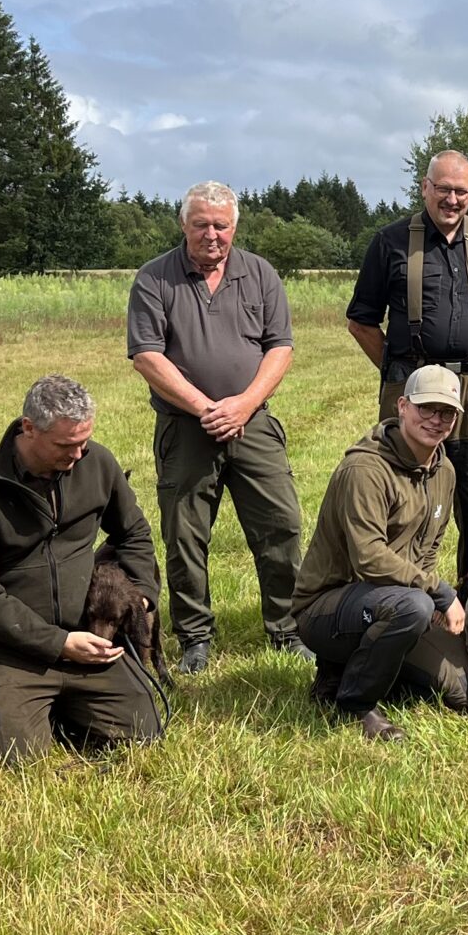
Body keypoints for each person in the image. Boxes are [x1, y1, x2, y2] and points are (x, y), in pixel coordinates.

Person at [126, 180, 307, 672]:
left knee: (281, 526)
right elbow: (146, 355)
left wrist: (245, 405)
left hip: (254, 424)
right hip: (186, 429)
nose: (212, 235)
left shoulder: (260, 274)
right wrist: (207, 407)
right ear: (183, 224)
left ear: (235, 227)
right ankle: (195, 639)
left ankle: (287, 630)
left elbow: (280, 347)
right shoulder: (154, 279)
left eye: (221, 225)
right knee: (185, 536)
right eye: (201, 224)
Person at [0, 375, 167, 764]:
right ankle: (6, 701)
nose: (79, 454)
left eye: (84, 441)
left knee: (142, 732)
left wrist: (142, 596)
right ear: (28, 428)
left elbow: (133, 533)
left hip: (90, 643)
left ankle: (61, 710)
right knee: (6, 758)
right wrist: (60, 644)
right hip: (10, 651)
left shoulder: (98, 463)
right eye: (66, 445)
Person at [346, 150, 468, 585]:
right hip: (414, 389)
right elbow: (361, 320)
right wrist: (400, 375)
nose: (452, 199)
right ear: (425, 188)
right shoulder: (390, 241)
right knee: (403, 505)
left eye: (461, 191)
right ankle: (402, 604)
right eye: (443, 189)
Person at [292, 365, 468, 742]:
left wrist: (430, 597)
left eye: (447, 413)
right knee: (413, 609)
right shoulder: (365, 469)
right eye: (427, 409)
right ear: (402, 406)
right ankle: (356, 703)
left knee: (459, 689)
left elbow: (428, 549)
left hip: (397, 598)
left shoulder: (445, 472)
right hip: (329, 605)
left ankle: (344, 672)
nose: (436, 421)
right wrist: (437, 592)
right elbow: (368, 557)